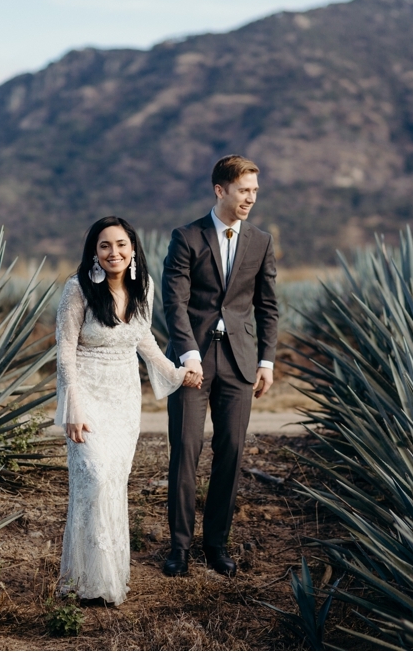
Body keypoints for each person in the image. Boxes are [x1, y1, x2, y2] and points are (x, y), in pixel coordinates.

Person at [56, 215, 201, 606]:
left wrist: (174, 371)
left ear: (132, 249)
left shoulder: (144, 287)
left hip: (123, 398)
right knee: (94, 478)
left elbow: (143, 339)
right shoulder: (77, 289)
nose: (113, 252)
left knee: (113, 484)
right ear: (94, 252)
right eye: (105, 246)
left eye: (120, 245)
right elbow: (66, 351)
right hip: (85, 395)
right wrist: (73, 405)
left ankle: (106, 581)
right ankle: (82, 580)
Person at [161, 155, 279, 577]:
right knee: (185, 452)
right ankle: (178, 549)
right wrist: (188, 353)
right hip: (193, 361)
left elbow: (267, 306)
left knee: (230, 453)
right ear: (220, 190)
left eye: (254, 192)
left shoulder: (261, 241)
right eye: (244, 190)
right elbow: (173, 302)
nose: (251, 198)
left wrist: (266, 360)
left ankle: (216, 546)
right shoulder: (186, 237)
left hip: (241, 363)